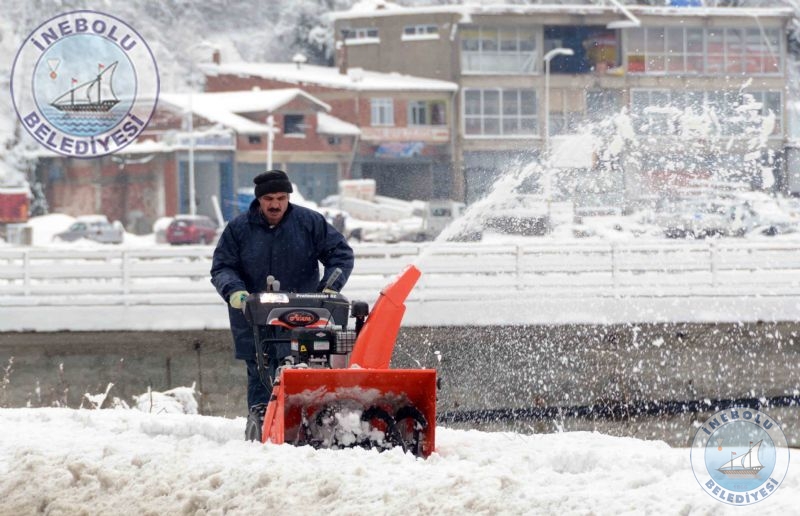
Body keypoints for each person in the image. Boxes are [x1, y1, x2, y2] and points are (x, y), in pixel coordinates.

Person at [210, 169, 354, 421]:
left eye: (280, 198)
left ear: (288, 197)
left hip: (302, 317)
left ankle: (306, 423)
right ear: (259, 200)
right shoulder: (239, 229)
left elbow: (340, 255)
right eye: (269, 199)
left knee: (303, 371)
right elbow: (223, 266)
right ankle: (262, 425)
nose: (275, 204)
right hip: (254, 317)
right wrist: (235, 292)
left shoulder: (309, 223)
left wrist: (329, 287)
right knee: (260, 373)